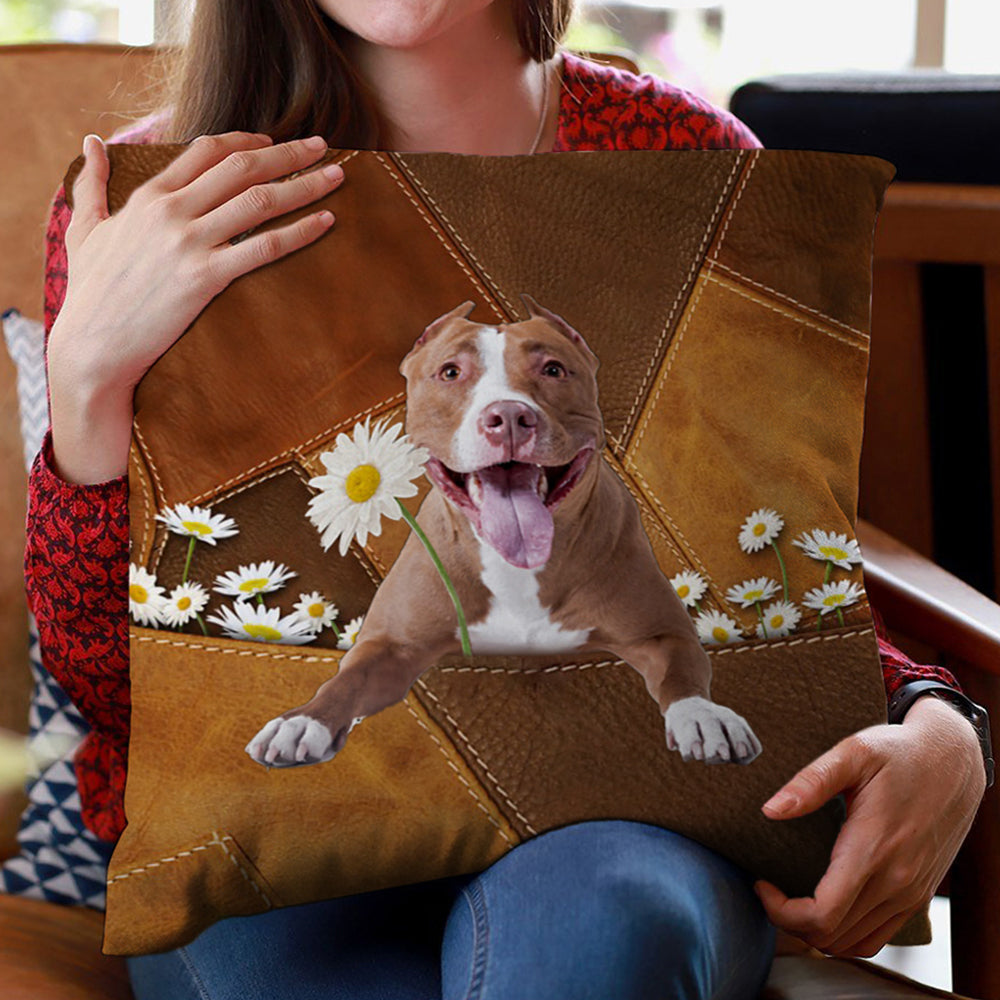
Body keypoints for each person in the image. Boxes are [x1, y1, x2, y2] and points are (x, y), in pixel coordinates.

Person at [24, 1, 987, 997]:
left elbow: (753, 554)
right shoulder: (154, 204)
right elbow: (105, 680)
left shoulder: (690, 165)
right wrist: (88, 382)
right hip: (275, 822)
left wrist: (935, 712)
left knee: (600, 924)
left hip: (620, 820)